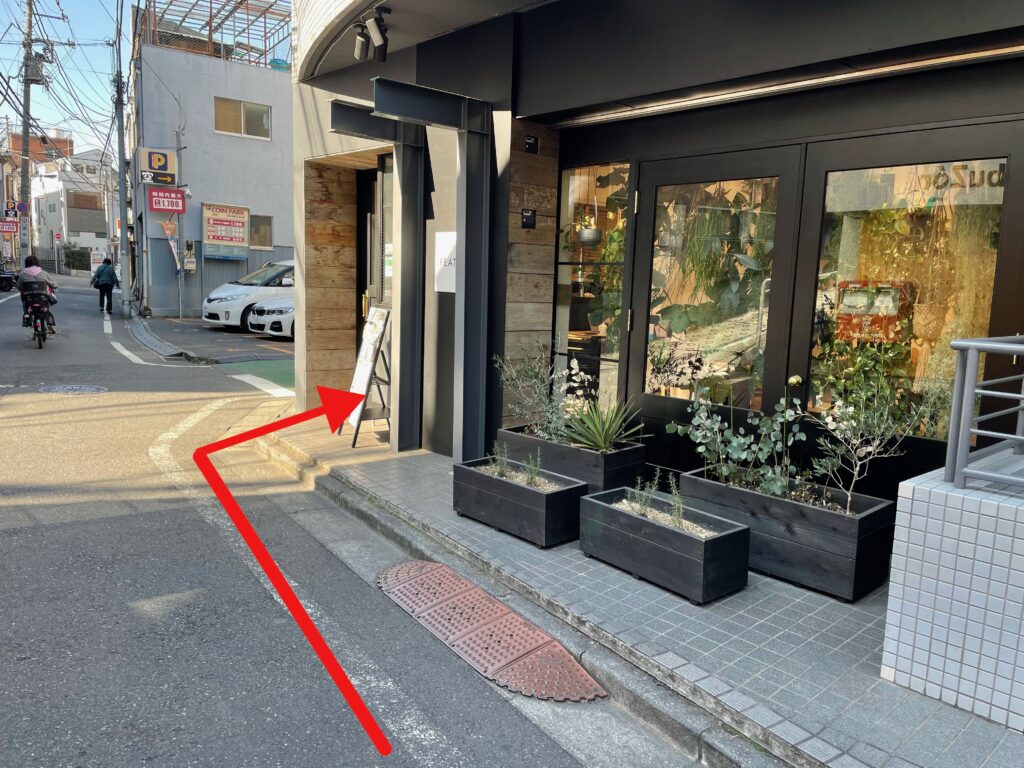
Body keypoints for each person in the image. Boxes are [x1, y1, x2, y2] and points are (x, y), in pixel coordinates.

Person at [16, 255, 57, 333]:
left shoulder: (22, 274)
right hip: (43, 299)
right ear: (37, 263)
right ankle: (47, 317)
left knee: (24, 299)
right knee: (48, 299)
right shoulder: (44, 273)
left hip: (29, 300)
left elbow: (19, 287)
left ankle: (28, 315)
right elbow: (55, 285)